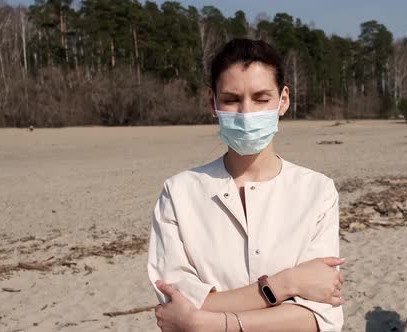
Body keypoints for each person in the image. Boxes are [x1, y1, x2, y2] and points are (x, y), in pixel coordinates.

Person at [147, 38, 345, 332]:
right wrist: (286, 284)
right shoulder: (179, 192)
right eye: (231, 99)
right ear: (212, 102)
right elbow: (177, 302)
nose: (246, 113)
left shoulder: (317, 191)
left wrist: (211, 323)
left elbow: (317, 317)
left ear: (284, 100)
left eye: (261, 98)